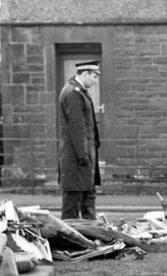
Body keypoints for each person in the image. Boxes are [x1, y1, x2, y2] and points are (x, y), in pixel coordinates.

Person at [58, 60, 101, 220]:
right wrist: (83, 155)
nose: (96, 81)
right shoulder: (73, 93)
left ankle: (91, 236)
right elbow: (77, 127)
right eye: (94, 76)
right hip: (77, 158)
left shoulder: (78, 91)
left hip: (83, 156)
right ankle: (70, 241)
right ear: (84, 73)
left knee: (87, 199)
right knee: (72, 204)